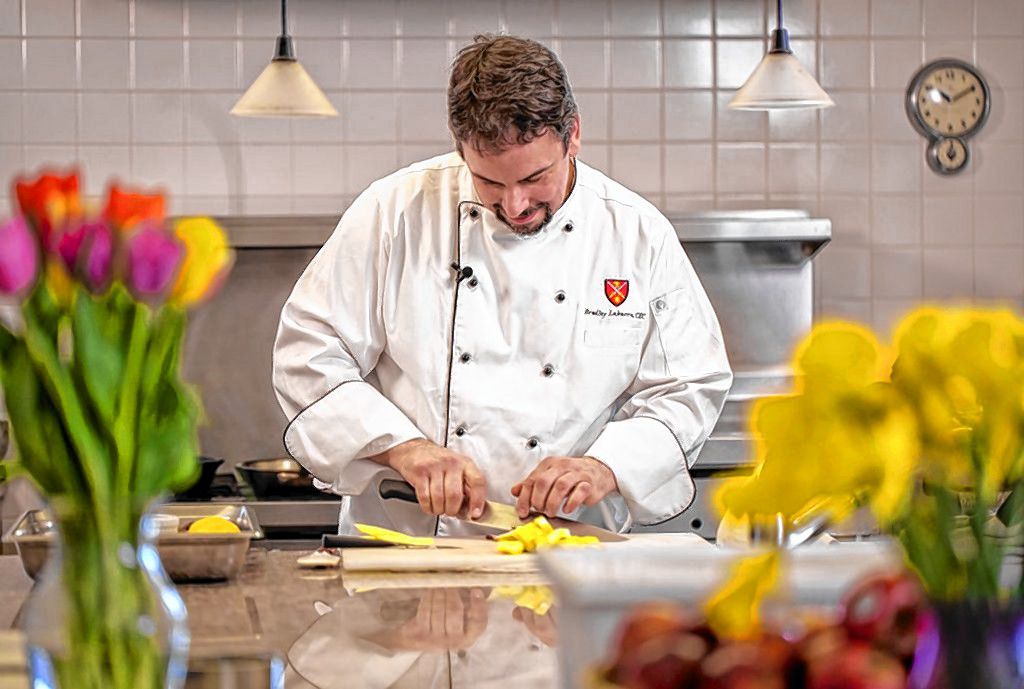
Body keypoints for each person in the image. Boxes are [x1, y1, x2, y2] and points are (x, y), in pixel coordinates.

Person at [272, 34, 732, 537]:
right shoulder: (395, 211)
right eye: (488, 182)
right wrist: (404, 448)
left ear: (572, 134)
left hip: (566, 550)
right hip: (408, 547)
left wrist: (604, 466)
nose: (515, 205)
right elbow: (308, 356)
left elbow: (690, 385)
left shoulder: (636, 233)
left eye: (535, 177)